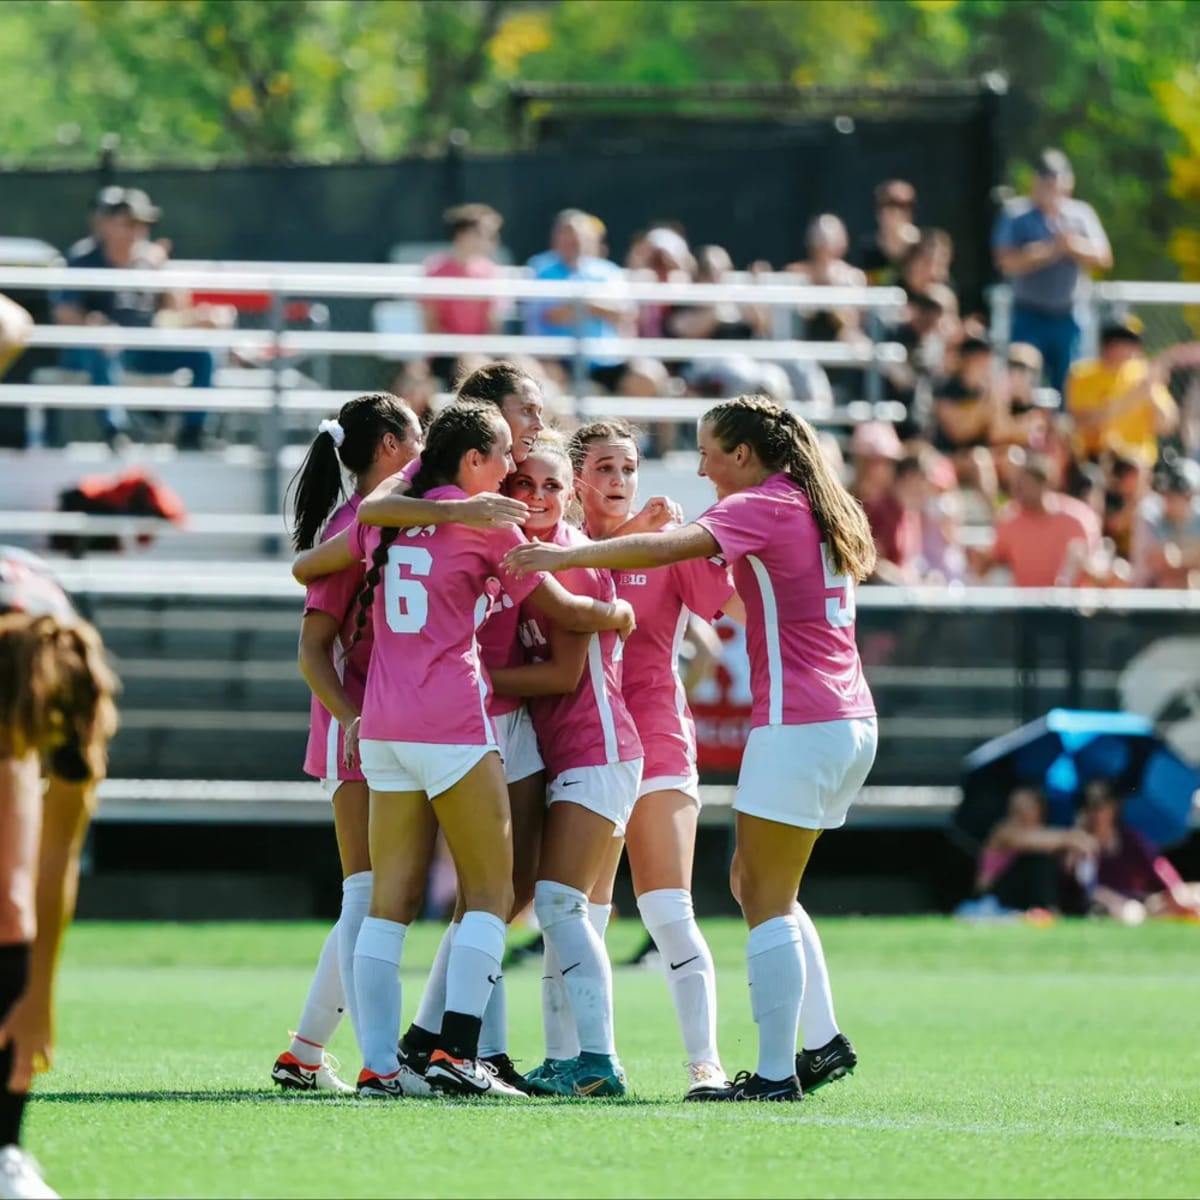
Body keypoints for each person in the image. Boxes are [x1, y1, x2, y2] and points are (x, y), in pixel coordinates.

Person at [505, 395, 879, 1101]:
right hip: (849, 717)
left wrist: (573, 551)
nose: (701, 468)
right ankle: (822, 1041)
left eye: (709, 451)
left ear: (742, 454)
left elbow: (671, 553)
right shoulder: (814, 500)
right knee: (755, 883)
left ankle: (770, 1076)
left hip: (795, 721)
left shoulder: (763, 504)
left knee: (757, 896)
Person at [291, 404, 635, 1100]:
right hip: (451, 721)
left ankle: (380, 1068)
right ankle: (456, 1054)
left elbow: (312, 563)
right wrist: (618, 613)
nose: (512, 468)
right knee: (491, 894)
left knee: (387, 903)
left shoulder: (389, 519)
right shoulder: (486, 523)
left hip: (382, 728)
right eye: (504, 452)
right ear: (474, 459)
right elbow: (564, 611)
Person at [567, 419, 745, 1099]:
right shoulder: (565, 541)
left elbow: (722, 607)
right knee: (582, 917)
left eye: (629, 468)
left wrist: (682, 540)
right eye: (605, 468)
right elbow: (570, 569)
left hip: (659, 741)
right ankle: (590, 1060)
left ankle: (706, 1064)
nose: (619, 481)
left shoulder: (665, 546)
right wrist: (636, 534)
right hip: (584, 744)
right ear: (578, 478)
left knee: (669, 909)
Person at [268, 394, 425, 1094]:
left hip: (374, 724)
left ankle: (305, 1051)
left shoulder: (379, 520)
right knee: (367, 892)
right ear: (390, 444)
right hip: (355, 727)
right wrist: (352, 718)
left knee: (368, 895)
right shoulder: (354, 525)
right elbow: (313, 651)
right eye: (417, 437)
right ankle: (379, 1063)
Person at [478, 434, 641, 1099]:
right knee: (553, 908)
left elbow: (566, 672)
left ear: (570, 493)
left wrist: (469, 677)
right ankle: (565, 1060)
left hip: (598, 750)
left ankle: (600, 1062)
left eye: (551, 486)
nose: (539, 497)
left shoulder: (567, 557)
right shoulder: (531, 558)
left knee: (557, 905)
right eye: (526, 485)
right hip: (570, 753)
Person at [0, 549, 119, 1199]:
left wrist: (36, 997)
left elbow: (54, 856)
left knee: (8, 908)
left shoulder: (68, 680)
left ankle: (3, 1148)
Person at [51, 187, 221, 449]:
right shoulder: (83, 258)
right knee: (106, 347)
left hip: (142, 349)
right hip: (94, 353)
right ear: (106, 224)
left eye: (143, 225)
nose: (137, 232)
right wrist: (93, 324)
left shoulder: (149, 259)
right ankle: (115, 432)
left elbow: (175, 309)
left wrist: (164, 273)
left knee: (205, 353)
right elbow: (64, 312)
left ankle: (193, 432)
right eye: (128, 224)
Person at [992, 149, 1113, 396]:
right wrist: (1047, 251)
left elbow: (1103, 258)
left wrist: (1072, 246)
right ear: (1034, 182)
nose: (1051, 189)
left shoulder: (1080, 214)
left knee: (1070, 386)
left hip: (1069, 316)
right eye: (1045, 182)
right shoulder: (1016, 214)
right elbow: (1005, 261)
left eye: (1056, 182)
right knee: (1022, 384)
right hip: (1028, 315)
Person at [1062, 782, 1200, 923]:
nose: (1096, 813)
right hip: (1107, 907)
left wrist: (1176, 892)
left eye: (1101, 805)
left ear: (1114, 806)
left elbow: (1160, 869)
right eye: (1089, 806)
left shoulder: (1131, 840)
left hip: (1146, 901)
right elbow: (1089, 889)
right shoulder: (1080, 844)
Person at [1066, 318, 1184, 467]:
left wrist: (1151, 391)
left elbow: (1167, 424)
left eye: (1134, 343)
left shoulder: (1143, 372)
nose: (1133, 349)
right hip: (1097, 458)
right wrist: (1135, 397)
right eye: (1125, 342)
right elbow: (1085, 423)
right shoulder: (1083, 374)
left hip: (1140, 461)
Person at [970, 453, 1100, 587]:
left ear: (1044, 484)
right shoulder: (1009, 519)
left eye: (1024, 484)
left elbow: (1093, 564)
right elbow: (989, 562)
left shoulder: (1077, 518)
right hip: (1025, 605)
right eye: (1016, 484)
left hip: (1070, 604)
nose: (1017, 491)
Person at [974, 788, 1096, 913]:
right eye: (1015, 808)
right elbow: (1030, 841)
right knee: (1037, 857)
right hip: (993, 899)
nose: (1019, 813)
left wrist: (1074, 849)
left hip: (1026, 896)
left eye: (1025, 807)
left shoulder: (1047, 834)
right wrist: (1073, 838)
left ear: (1040, 811)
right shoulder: (1003, 831)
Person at [422, 204, 504, 386]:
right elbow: (432, 326)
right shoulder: (436, 270)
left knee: (528, 367)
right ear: (464, 235)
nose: (494, 240)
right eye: (487, 234)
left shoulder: (489, 271)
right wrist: (462, 350)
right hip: (445, 356)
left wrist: (479, 353)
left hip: (482, 355)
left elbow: (492, 326)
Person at [1132, 455, 1200, 588]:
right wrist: (1191, 557)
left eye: (1182, 495)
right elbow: (1159, 563)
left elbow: (1174, 561)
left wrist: (1179, 559)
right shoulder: (1149, 512)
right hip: (1149, 591)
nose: (1169, 500)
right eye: (1168, 493)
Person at [856, 180, 920, 286]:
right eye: (893, 204)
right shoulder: (868, 250)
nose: (899, 212)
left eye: (908, 204)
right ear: (879, 210)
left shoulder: (920, 247)